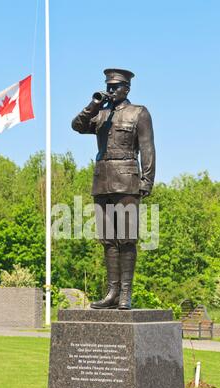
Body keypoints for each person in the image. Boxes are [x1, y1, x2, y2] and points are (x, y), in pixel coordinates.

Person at [72, 68, 156, 309]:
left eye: (115, 86)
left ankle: (126, 294)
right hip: (102, 181)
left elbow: (148, 148)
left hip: (128, 180)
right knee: (107, 240)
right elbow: (77, 125)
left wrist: (146, 181)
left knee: (127, 239)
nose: (110, 90)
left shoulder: (139, 113)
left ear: (126, 88)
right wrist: (93, 104)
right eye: (108, 86)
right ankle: (112, 292)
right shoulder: (100, 115)